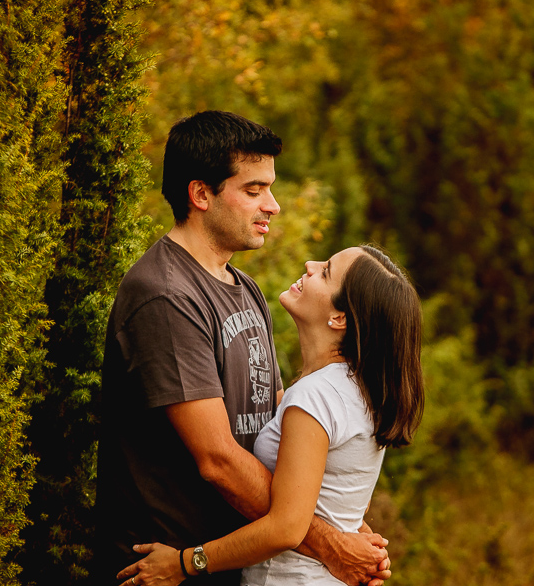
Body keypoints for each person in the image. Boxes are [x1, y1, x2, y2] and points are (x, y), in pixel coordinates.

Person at [94, 111, 391, 586]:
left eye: (269, 189)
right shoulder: (166, 295)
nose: (272, 205)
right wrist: (329, 543)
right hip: (164, 567)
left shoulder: (243, 287)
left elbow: (272, 413)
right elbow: (218, 460)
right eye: (254, 190)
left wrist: (343, 519)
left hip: (232, 561)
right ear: (201, 195)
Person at [114, 244, 425, 586]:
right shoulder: (356, 392)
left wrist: (185, 563)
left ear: (340, 318)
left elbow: (286, 528)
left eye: (326, 272)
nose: (309, 264)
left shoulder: (317, 395)